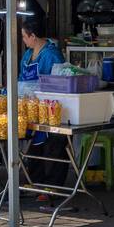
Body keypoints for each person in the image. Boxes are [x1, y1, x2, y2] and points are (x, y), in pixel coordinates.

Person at [19, 17, 66, 195]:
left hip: (50, 108)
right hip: (31, 108)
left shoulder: (52, 54)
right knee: (35, 145)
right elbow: (21, 79)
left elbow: (58, 82)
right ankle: (35, 182)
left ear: (34, 36)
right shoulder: (27, 54)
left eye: (24, 36)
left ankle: (53, 187)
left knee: (54, 146)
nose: (23, 40)